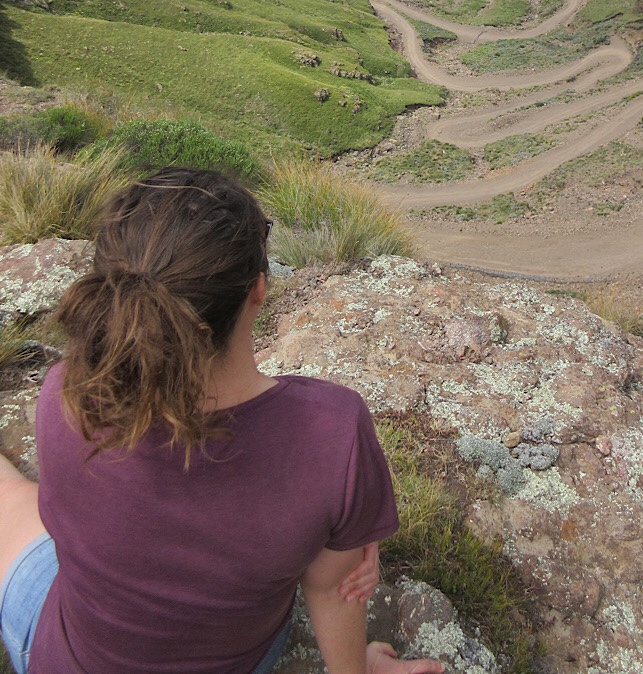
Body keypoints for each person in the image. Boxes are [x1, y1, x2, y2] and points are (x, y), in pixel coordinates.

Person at [0, 168, 445, 674]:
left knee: (10, 495)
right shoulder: (330, 433)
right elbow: (333, 589)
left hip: (62, 655)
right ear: (258, 289)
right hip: (234, 656)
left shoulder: (68, 391)